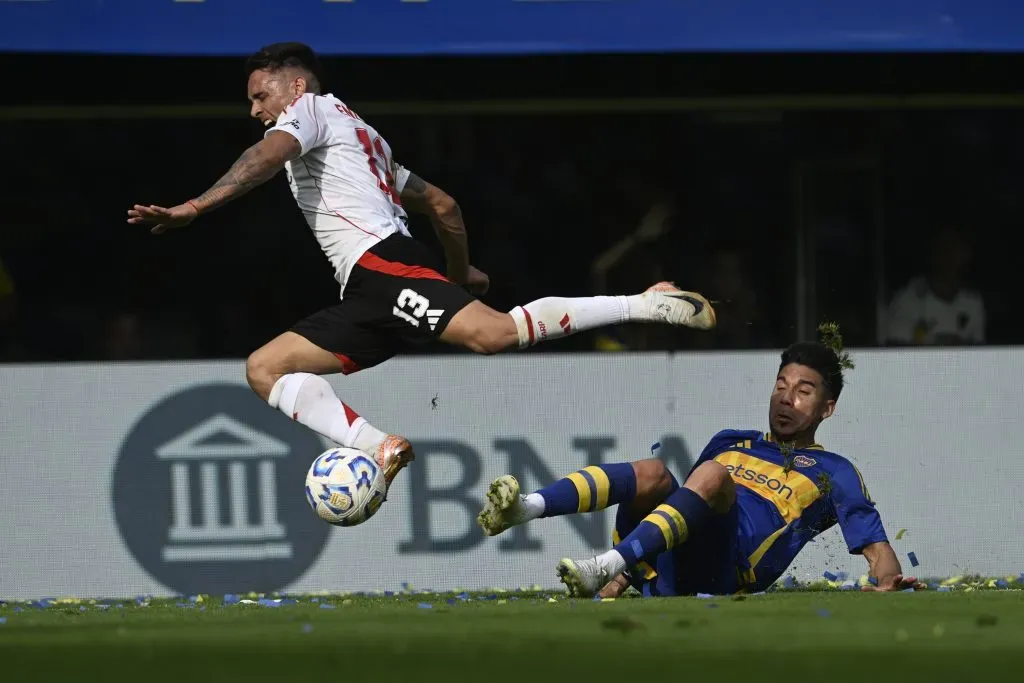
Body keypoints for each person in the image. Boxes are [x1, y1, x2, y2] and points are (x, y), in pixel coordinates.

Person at [127, 42, 716, 492]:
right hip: (367, 286)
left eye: (260, 97)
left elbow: (266, 155)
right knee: (265, 369)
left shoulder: (307, 111)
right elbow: (444, 206)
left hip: (382, 265)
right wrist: (457, 274)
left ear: (295, 86)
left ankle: (643, 301)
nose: (255, 111)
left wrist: (194, 206)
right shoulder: (363, 138)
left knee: (492, 335)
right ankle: (380, 448)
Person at [477, 340, 918, 596]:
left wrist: (887, 583)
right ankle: (527, 508)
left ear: (828, 408)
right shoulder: (731, 441)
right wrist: (631, 578)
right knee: (652, 472)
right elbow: (681, 510)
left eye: (803, 391)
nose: (786, 398)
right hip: (675, 567)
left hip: (730, 570)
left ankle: (605, 566)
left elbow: (878, 552)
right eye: (780, 385)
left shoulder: (833, 471)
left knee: (712, 477)